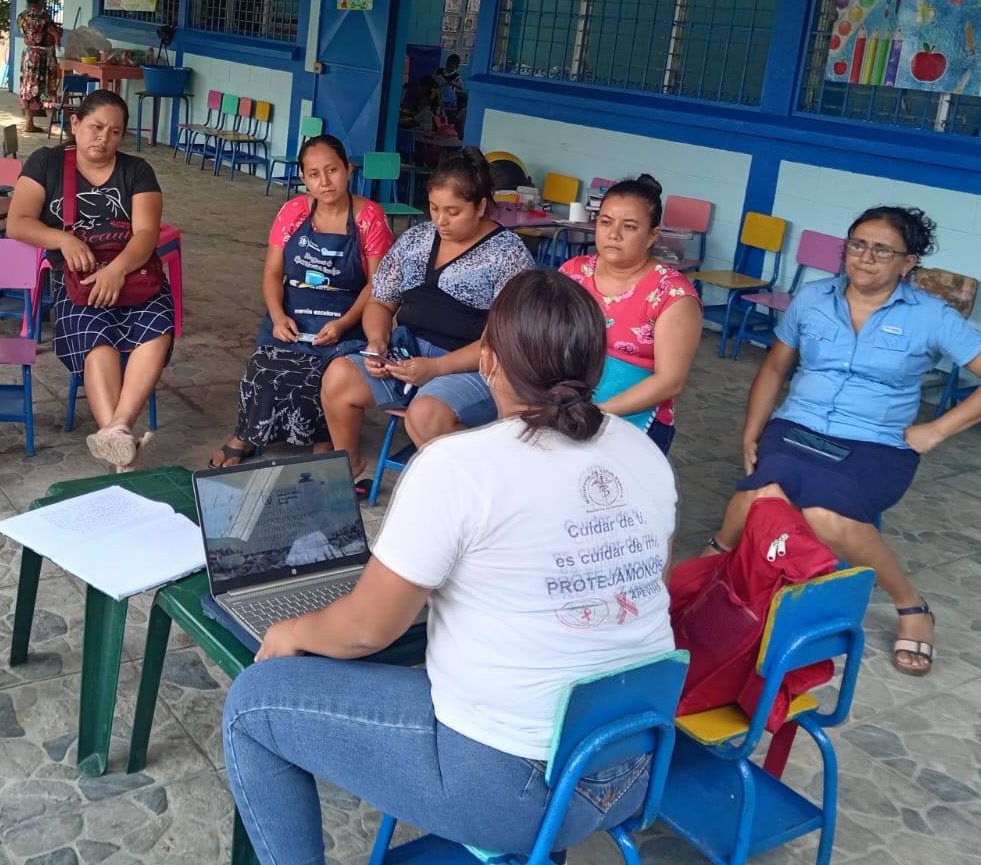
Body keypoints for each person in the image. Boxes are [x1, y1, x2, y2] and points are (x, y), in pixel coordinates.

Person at [223, 271, 678, 863]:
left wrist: (293, 630)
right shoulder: (642, 451)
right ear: (596, 364)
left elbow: (366, 630)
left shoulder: (460, 465)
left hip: (515, 789)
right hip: (631, 764)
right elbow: (644, 586)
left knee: (253, 705)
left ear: (488, 362)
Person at [706, 206, 981, 677]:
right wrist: (752, 429)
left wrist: (936, 430)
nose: (865, 257)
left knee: (824, 515)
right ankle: (713, 568)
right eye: (857, 244)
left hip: (877, 443)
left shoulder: (931, 316)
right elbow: (774, 367)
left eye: (881, 250)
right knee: (760, 494)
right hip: (797, 428)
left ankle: (912, 605)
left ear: (908, 262)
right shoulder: (813, 298)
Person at [320, 148, 534, 494]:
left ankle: (474, 495)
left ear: (480, 206)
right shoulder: (416, 240)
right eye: (434, 209)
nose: (441, 221)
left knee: (425, 414)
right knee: (338, 378)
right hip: (407, 357)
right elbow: (381, 300)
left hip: (473, 368)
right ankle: (350, 469)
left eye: (453, 211)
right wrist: (377, 341)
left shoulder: (508, 255)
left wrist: (436, 368)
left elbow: (500, 340)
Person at [7, 90, 174, 471]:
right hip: (78, 282)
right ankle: (121, 448)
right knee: (96, 337)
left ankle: (118, 429)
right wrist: (63, 239)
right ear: (75, 123)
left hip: (134, 273)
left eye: (115, 132)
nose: (103, 138)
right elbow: (18, 222)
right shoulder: (46, 163)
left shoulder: (137, 171)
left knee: (156, 327)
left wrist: (117, 270)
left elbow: (146, 234)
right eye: (96, 127)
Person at [210, 135, 393, 468]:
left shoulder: (370, 217)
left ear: (348, 169)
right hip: (294, 312)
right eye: (314, 174)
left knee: (322, 374)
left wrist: (343, 324)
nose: (325, 182)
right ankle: (248, 434)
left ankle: (324, 437)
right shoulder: (293, 212)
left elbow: (376, 284)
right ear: (303, 177)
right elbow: (272, 273)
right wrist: (278, 316)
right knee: (263, 370)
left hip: (347, 316)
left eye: (332, 170)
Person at [559, 174, 701, 454]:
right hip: (567, 402)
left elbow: (670, 381)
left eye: (630, 227)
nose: (614, 234)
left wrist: (598, 412)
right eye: (605, 222)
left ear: (652, 236)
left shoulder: (672, 295)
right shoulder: (574, 273)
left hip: (631, 416)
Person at [16, 0, 61, 135]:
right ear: (41, 1)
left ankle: (29, 123)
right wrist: (57, 39)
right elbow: (55, 35)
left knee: (28, 88)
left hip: (29, 56)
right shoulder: (44, 18)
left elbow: (24, 33)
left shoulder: (22, 16)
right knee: (47, 88)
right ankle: (52, 125)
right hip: (43, 57)